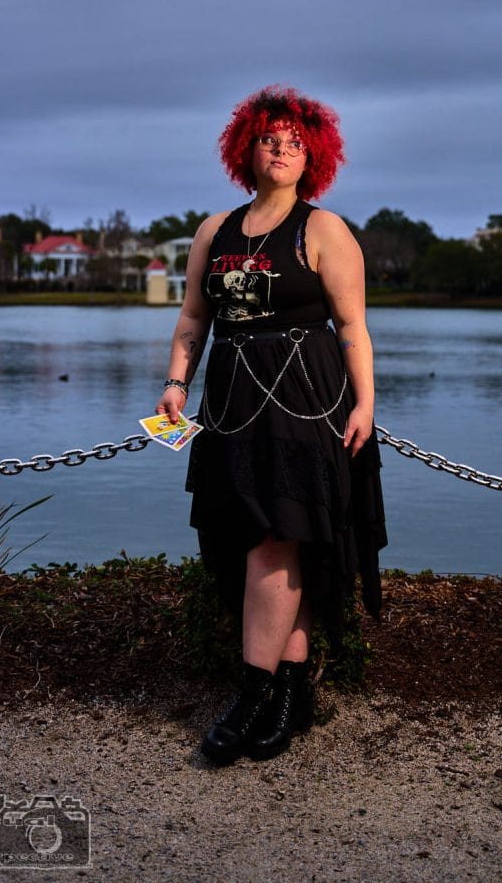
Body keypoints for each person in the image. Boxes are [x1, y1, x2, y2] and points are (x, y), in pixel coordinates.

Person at [155, 85, 388, 765]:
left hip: (305, 398)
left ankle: (251, 694)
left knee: (277, 539)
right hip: (229, 401)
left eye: (293, 141)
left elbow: (351, 327)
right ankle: (290, 695)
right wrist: (174, 383)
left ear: (311, 154)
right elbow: (193, 318)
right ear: (245, 149)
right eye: (269, 139)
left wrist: (364, 405)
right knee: (250, 540)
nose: (281, 149)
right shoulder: (214, 230)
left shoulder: (323, 230)